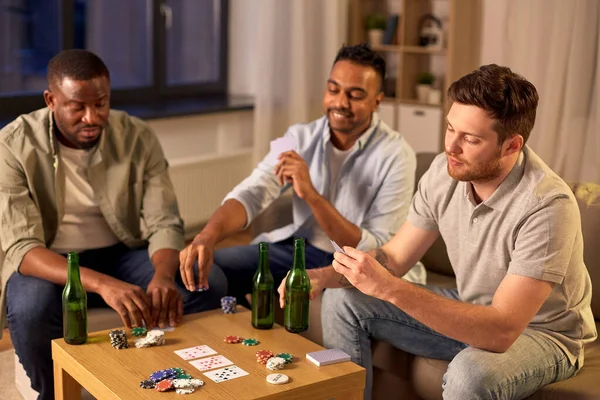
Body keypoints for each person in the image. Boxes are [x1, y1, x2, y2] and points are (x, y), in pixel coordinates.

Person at [279, 64, 597, 399]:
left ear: (511, 146)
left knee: (469, 373)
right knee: (342, 298)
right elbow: (395, 257)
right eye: (450, 129)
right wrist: (323, 276)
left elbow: (502, 330)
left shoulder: (547, 206)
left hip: (541, 335)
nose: (452, 147)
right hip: (471, 306)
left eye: (470, 139)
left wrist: (389, 288)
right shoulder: (445, 172)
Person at [0, 49, 226, 400]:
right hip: (52, 261)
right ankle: (55, 394)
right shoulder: (13, 145)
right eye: (78, 107)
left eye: (101, 104)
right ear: (51, 100)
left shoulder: (137, 135)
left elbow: (164, 221)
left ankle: (171, 383)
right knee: (30, 309)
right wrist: (103, 285)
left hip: (119, 251)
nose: (92, 117)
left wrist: (164, 277)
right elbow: (23, 249)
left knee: (204, 284)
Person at [179, 44, 425, 305]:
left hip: (352, 263)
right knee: (209, 270)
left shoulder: (398, 155)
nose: (340, 103)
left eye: (355, 95)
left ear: (377, 101)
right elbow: (253, 191)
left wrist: (311, 195)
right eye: (333, 90)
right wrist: (206, 236)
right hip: (298, 251)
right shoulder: (297, 136)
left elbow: (377, 251)